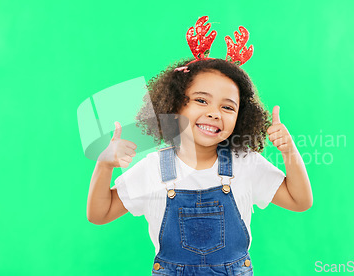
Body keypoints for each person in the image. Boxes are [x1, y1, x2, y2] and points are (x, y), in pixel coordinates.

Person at [86, 16, 313, 276]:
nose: (215, 113)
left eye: (227, 107)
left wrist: (289, 152)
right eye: (201, 101)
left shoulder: (245, 163)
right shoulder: (152, 169)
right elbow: (99, 214)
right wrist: (103, 165)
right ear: (175, 104)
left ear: (241, 118)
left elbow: (300, 200)